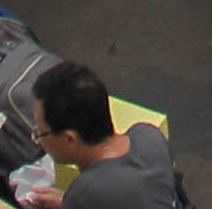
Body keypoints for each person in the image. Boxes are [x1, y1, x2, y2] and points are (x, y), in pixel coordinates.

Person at [33, 61, 190, 209]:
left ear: (69, 139)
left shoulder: (85, 193)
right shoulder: (149, 135)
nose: (38, 140)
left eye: (40, 133)